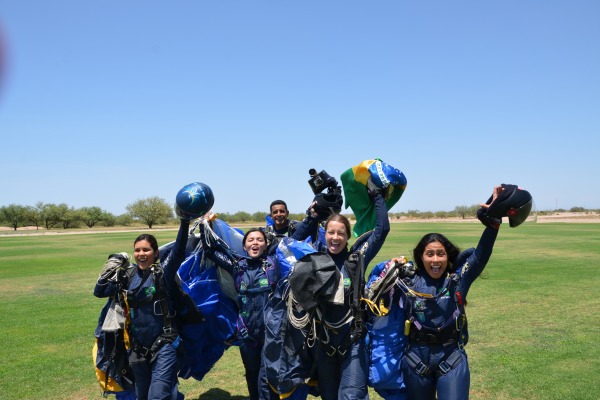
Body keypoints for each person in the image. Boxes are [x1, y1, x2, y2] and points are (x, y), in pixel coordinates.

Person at [391, 185, 508, 400]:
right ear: (421, 257)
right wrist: (390, 268)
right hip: (416, 359)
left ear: (447, 256)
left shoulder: (457, 280)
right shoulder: (407, 281)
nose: (435, 260)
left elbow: (480, 256)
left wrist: (493, 220)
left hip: (451, 357)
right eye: (430, 254)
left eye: (440, 254)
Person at [288, 180, 390, 400]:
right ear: (325, 234)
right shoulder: (313, 259)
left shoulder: (357, 259)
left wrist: (377, 196)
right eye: (331, 233)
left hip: (352, 341)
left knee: (352, 396)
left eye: (340, 233)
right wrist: (312, 216)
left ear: (347, 236)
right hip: (323, 345)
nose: (335, 238)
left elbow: (382, 231)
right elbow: (288, 245)